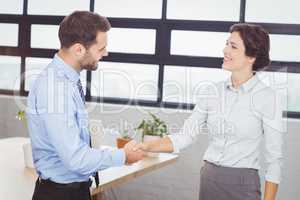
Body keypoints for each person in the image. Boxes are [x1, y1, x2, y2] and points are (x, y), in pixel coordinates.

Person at [135, 23, 285, 200]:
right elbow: (185, 136)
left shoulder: (268, 98)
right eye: (227, 43)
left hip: (243, 185)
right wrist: (147, 146)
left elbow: (274, 159)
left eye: (233, 46)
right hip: (209, 179)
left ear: (251, 57)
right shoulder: (211, 92)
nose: (225, 50)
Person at [26, 11, 145, 200]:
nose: (105, 53)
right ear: (79, 49)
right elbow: (75, 158)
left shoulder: (68, 81)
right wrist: (123, 156)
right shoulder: (55, 89)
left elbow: (75, 144)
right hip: (60, 194)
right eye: (101, 48)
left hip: (72, 190)